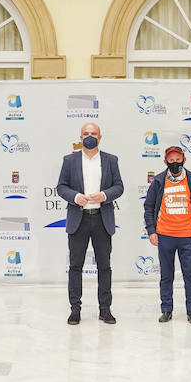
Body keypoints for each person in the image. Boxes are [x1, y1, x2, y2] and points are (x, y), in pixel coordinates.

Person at [56, 122, 125, 325]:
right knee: (75, 267)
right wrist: (75, 196)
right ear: (80, 137)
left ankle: (105, 309)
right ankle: (75, 310)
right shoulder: (69, 160)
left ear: (100, 137)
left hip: (103, 219)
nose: (89, 136)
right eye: (86, 133)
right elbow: (61, 187)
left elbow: (119, 187)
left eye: (93, 133)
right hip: (79, 220)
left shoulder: (111, 160)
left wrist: (104, 195)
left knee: (104, 267)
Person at [144, 145, 191, 324]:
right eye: (171, 160)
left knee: (190, 276)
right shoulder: (158, 181)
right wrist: (151, 230)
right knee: (166, 275)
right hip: (165, 235)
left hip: (188, 236)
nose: (175, 163)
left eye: (178, 160)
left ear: (184, 160)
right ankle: (166, 310)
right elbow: (148, 207)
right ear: (165, 161)